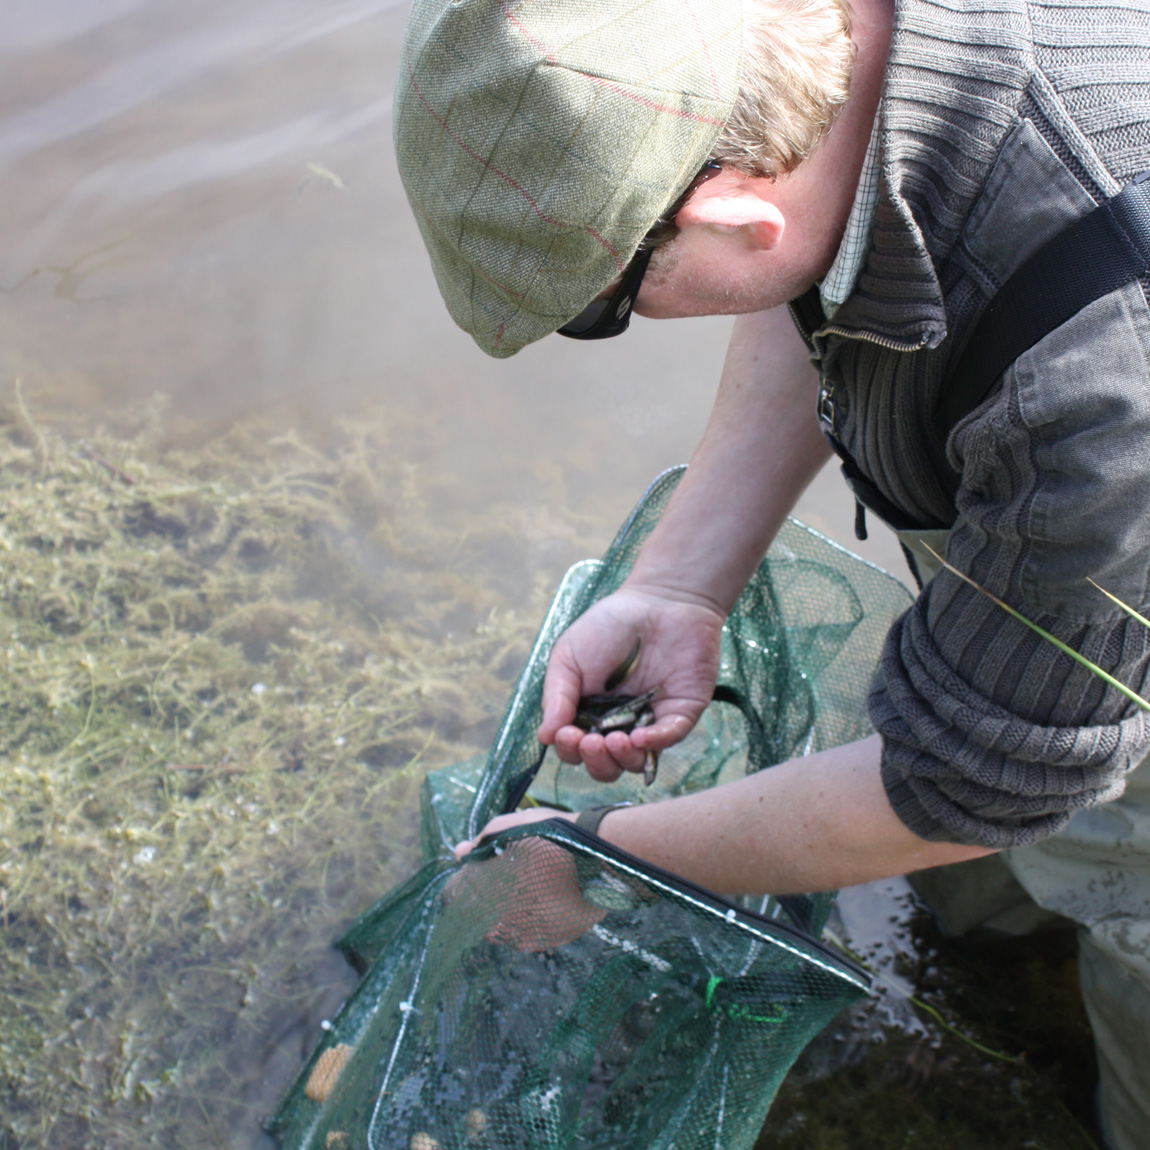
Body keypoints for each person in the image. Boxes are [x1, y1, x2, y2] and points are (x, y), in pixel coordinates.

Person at [392, 0, 1150, 1144]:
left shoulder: (1092, 398)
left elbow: (969, 777)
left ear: (735, 217)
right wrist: (682, 580)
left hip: (1106, 562)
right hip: (1052, 571)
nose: (620, 321)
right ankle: (1000, 962)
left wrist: (592, 862)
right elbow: (835, 257)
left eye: (605, 306)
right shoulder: (831, 52)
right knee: (984, 893)